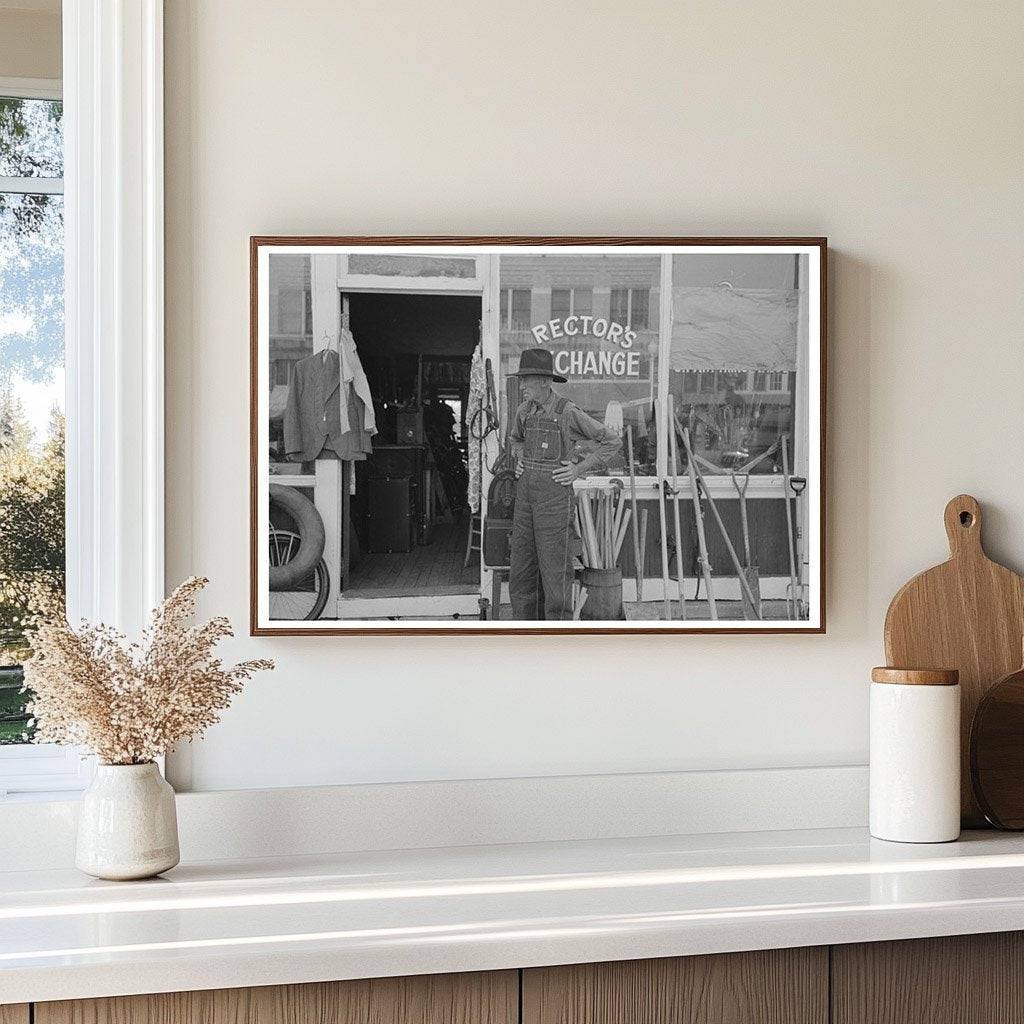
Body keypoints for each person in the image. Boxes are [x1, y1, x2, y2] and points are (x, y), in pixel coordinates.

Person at [508, 347, 621, 620]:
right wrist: (520, 458)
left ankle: (556, 638)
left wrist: (579, 469)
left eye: (527, 379)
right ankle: (525, 635)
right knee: (522, 571)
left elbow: (611, 441)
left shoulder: (567, 412)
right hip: (525, 501)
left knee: (555, 573)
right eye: (521, 379)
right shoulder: (523, 411)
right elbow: (516, 440)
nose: (521, 384)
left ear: (545, 382)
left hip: (554, 503)